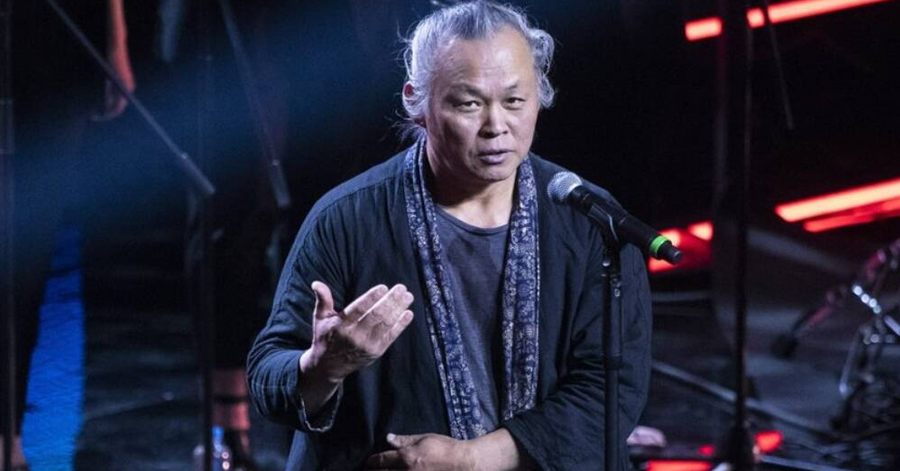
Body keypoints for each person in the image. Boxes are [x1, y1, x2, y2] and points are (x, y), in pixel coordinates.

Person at [247, 2, 652, 470]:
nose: (496, 126)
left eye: (514, 101)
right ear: (416, 102)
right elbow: (267, 376)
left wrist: (472, 459)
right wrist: (323, 368)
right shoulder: (347, 220)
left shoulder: (589, 222)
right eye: (468, 104)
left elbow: (612, 391)